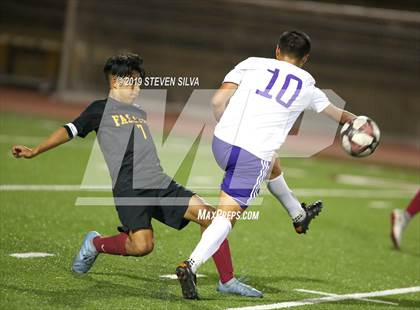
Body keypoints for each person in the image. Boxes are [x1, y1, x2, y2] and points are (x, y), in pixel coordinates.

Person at [11, 53, 262, 298]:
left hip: (159, 182)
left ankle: (227, 280)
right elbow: (69, 130)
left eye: (139, 82)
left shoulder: (139, 111)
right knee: (142, 247)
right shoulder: (99, 109)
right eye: (133, 82)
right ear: (115, 81)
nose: (138, 87)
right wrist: (35, 150)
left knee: (213, 218)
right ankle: (95, 244)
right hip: (130, 189)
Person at [176, 30, 358, 299]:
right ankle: (190, 265)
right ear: (305, 59)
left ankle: (298, 214)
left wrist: (224, 125)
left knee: (272, 163)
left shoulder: (250, 63)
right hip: (252, 155)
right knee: (227, 216)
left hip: (221, 143)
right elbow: (340, 116)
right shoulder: (308, 86)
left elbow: (217, 101)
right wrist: (363, 124)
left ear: (276, 50)